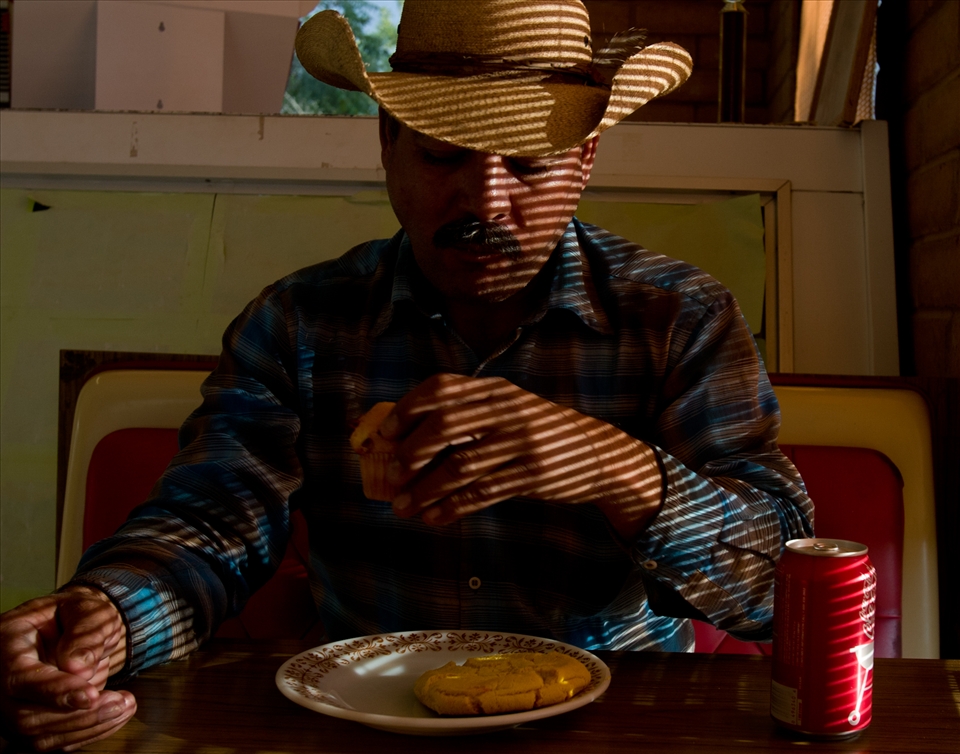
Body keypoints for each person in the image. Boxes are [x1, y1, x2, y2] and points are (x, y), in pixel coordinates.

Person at [0, 1, 813, 750]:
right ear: (386, 141)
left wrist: (615, 469)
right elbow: (214, 525)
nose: (485, 200)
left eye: (529, 165)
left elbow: (786, 593)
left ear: (586, 159)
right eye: (441, 154)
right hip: (357, 727)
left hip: (615, 729)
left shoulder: (679, 319)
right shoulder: (299, 324)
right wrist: (106, 620)